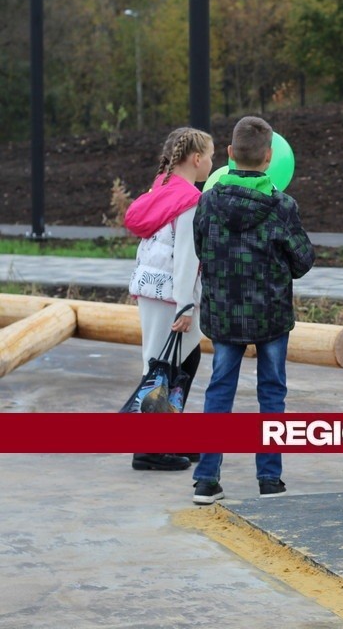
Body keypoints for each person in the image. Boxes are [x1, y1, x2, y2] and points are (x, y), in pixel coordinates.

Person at [190, 116, 316, 505]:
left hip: (223, 313)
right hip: (271, 315)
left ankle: (207, 479)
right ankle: (269, 480)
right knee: (272, 394)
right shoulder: (282, 206)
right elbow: (302, 260)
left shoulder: (208, 201)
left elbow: (200, 249)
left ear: (229, 154)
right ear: (269, 157)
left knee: (219, 391)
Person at [124, 127, 214, 471]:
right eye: (210, 155)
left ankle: (167, 437)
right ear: (195, 158)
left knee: (176, 363)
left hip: (152, 289)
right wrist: (187, 304)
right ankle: (148, 449)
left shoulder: (160, 189)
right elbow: (187, 255)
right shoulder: (189, 199)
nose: (212, 162)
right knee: (163, 367)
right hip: (172, 297)